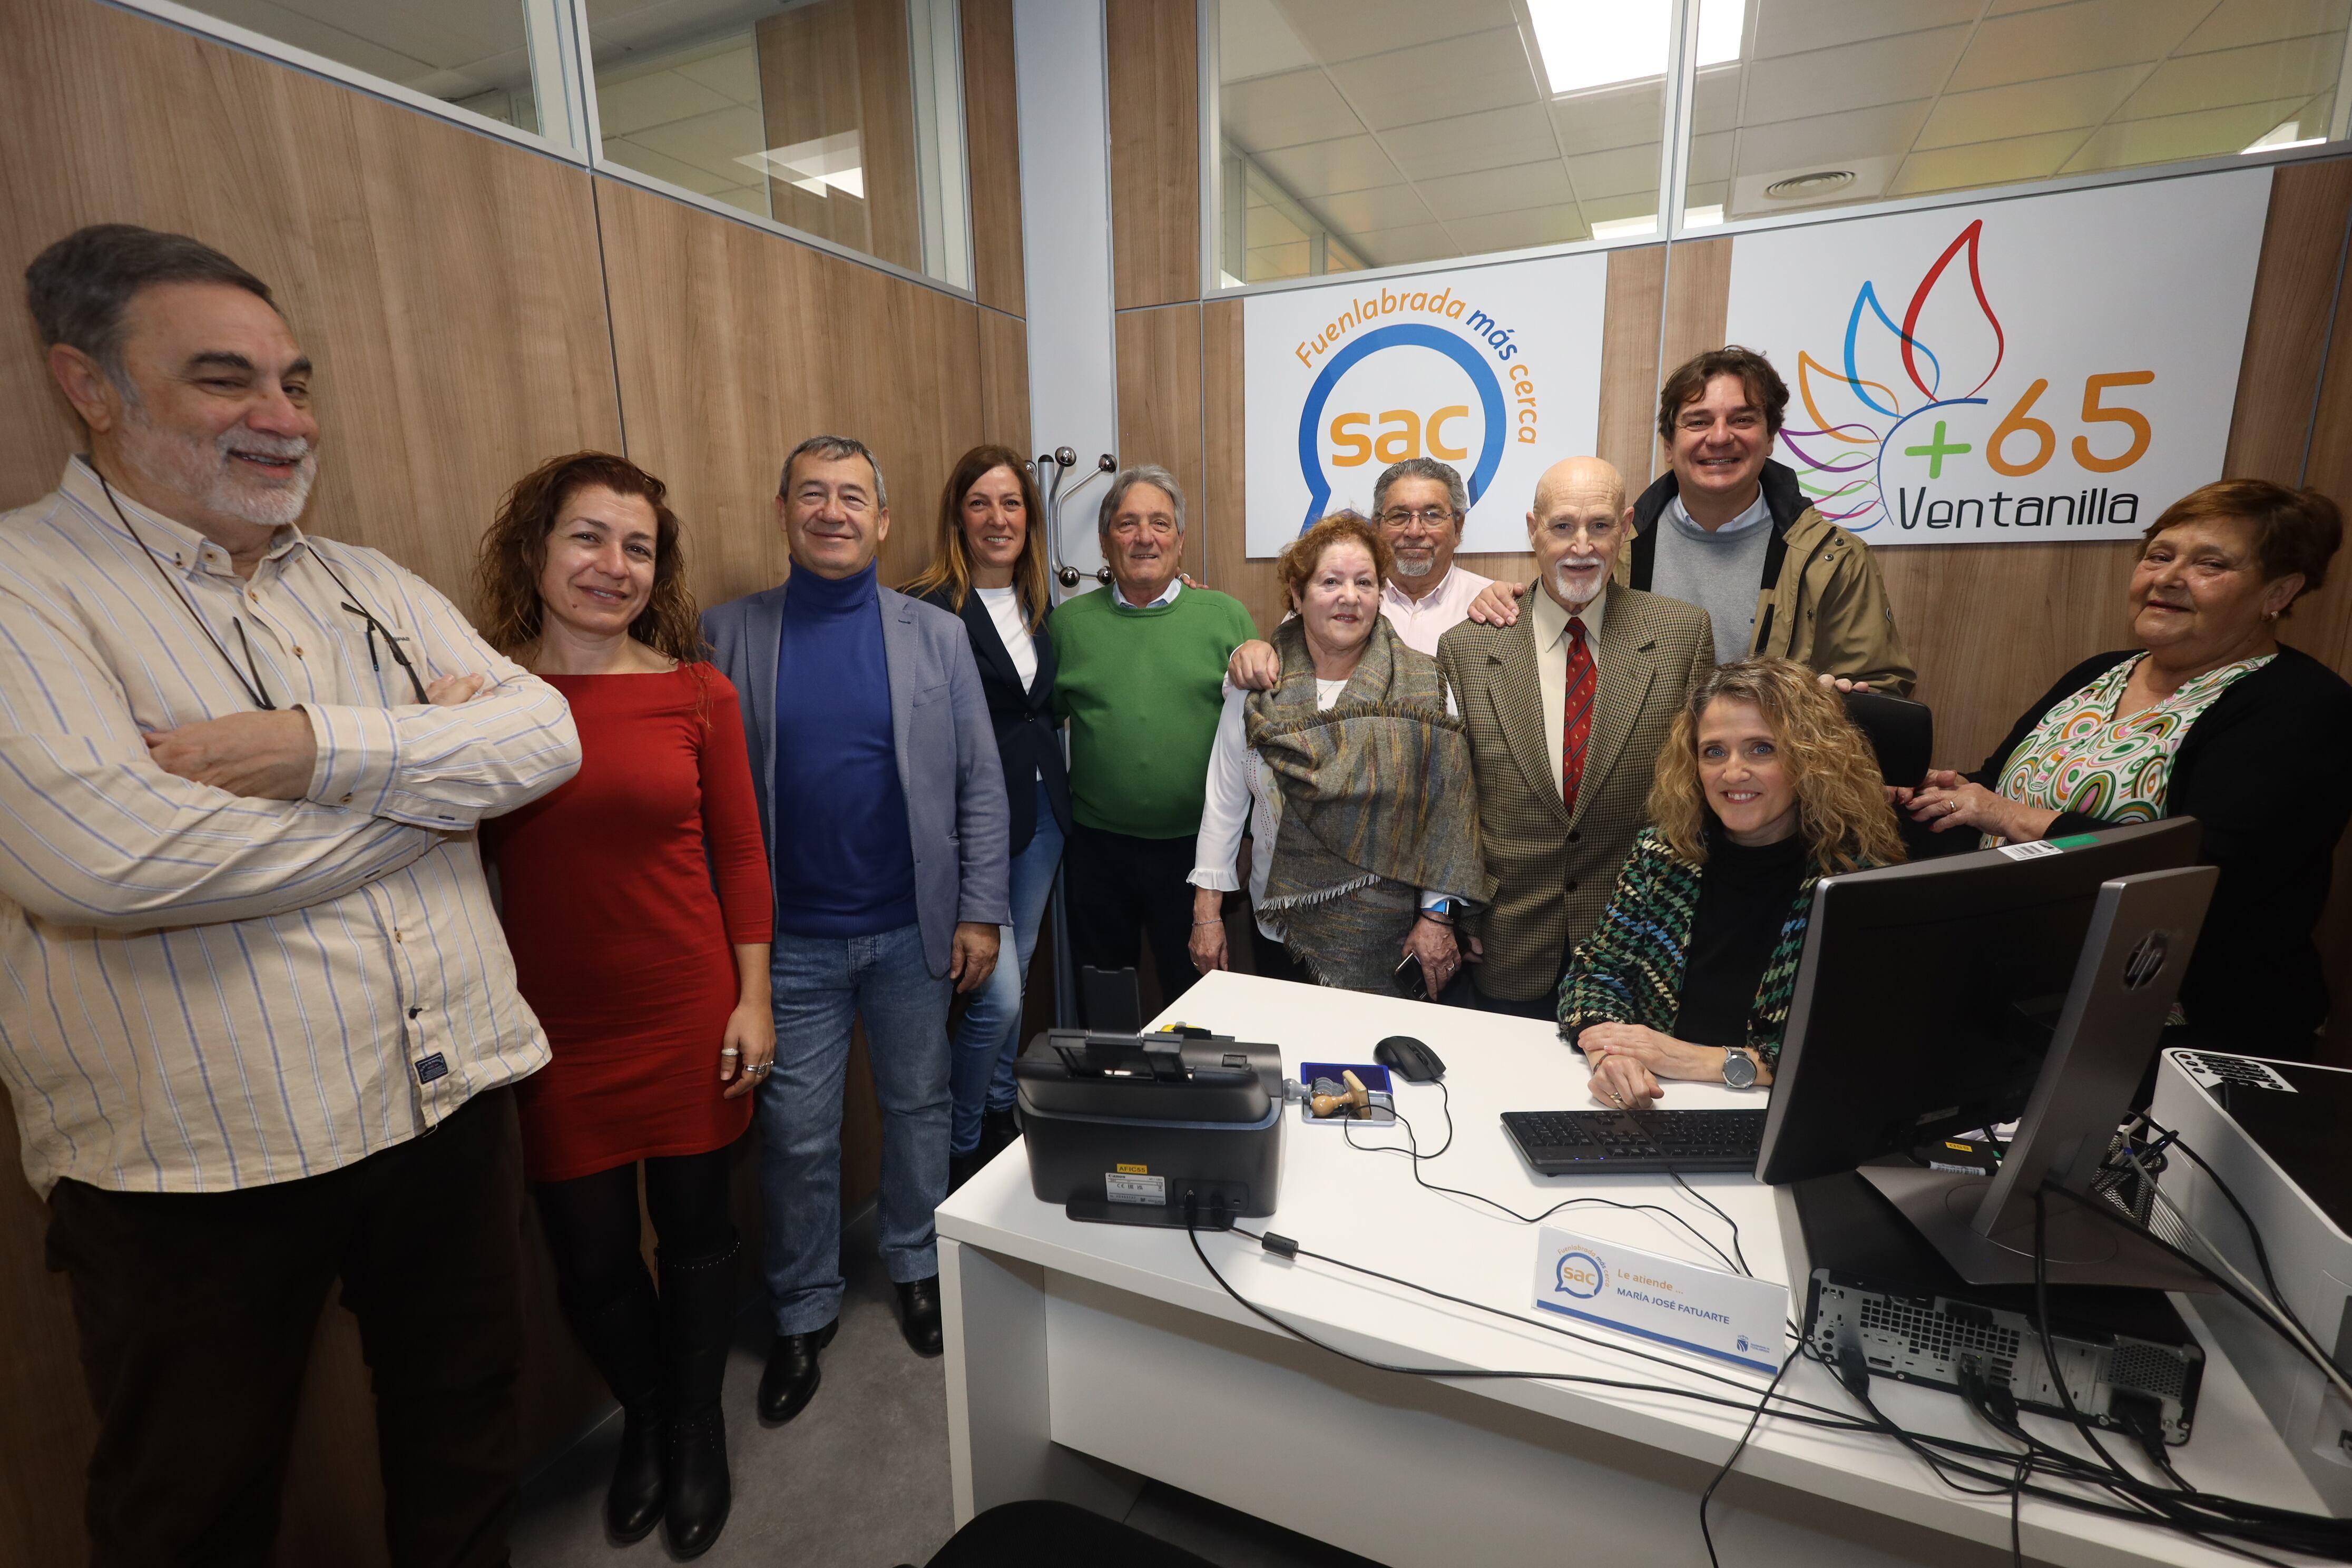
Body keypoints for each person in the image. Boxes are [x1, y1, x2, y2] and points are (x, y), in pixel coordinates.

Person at [0, 224, 582, 1566]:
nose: (279, 419)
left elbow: (542, 738)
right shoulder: (29, 586)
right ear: (89, 386)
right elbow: (106, 861)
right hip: (200, 1160)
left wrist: (308, 753)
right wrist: (430, 796)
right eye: (225, 380)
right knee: (191, 1506)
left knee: (463, 1431)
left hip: (445, 1099)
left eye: (296, 382)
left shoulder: (363, 580)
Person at [475, 452, 771, 1556]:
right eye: (588, 538)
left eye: (637, 546)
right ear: (537, 549)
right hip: (553, 1033)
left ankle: (694, 1429)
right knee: (592, 1256)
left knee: (697, 1234)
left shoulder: (698, 691)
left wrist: (756, 1001)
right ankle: (645, 1415)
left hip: (690, 1007)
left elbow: (742, 854)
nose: (612, 565)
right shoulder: (486, 698)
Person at [702, 435, 1008, 1426]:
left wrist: (980, 911)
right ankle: (801, 1308)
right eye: (811, 496)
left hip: (910, 933)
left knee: (920, 1108)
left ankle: (916, 1265)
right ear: (783, 510)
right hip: (786, 945)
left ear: (881, 520)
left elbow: (978, 785)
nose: (831, 512)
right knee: (795, 1139)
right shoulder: (727, 635)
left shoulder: (934, 635)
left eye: (852, 498)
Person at [1903, 479, 2351, 1055]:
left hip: (2174, 1031)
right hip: (2024, 1001)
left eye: (2210, 564)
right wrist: (1947, 791)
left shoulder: (2301, 705)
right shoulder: (2101, 671)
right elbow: (1997, 783)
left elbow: (2207, 869)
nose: (2167, 577)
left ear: (2279, 592)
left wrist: (2013, 817)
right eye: (2159, 556)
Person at [1435, 456, 1716, 1016]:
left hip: (1636, 945)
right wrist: (1453, 915)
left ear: (1627, 525)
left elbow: (1696, 796)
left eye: (1600, 525)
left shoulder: (1683, 634)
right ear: (1533, 528)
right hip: (1505, 942)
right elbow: (1450, 803)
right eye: (1562, 526)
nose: (1581, 546)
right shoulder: (1466, 647)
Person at [1465, 347, 1914, 693]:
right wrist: (1511, 602)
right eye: (1698, 421)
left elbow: (1882, 694)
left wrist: (1827, 704)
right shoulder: (1615, 546)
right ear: (1668, 444)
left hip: (1775, 798)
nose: (1720, 438)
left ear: (1771, 437)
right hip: (1641, 795)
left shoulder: (1832, 559)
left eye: (1742, 419)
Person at [1563, 659, 1905, 1112]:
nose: (1733, 773)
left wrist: (1702, 1061)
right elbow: (1596, 973)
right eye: (1714, 751)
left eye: (1762, 749)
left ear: (1810, 757)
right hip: (1655, 1106)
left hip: (1784, 1117)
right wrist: (1611, 1055)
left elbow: (1861, 1047)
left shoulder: (1859, 880)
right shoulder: (1662, 856)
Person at [1188, 514, 1487, 995]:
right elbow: (1223, 806)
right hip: (1280, 928)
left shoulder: (1426, 688)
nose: (1350, 596)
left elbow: (1448, 818)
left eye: (1364, 582)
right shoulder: (1257, 691)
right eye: (1331, 581)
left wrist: (1438, 919)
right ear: (1297, 592)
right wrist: (1206, 915)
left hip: (1392, 937)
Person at [901, 446, 1070, 1190]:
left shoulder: (1043, 604)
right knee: (995, 991)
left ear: (1030, 520)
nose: (997, 519)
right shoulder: (921, 609)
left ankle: (1001, 1107)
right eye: (981, 503)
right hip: (970, 824)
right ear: (957, 516)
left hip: (1044, 809)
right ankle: (962, 1138)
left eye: (1011, 504)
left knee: (1021, 969)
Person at [1049, 465, 1257, 1016]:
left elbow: (1257, 740)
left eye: (1160, 523)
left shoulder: (1225, 617)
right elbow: (1041, 722)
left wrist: (1246, 839)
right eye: (1128, 524)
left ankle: (1190, 1101)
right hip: (1098, 850)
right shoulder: (1068, 627)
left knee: (1195, 1001)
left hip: (1195, 852)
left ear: (1181, 540)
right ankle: (1109, 1094)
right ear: (1103, 540)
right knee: (1104, 998)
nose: (1145, 537)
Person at [1224, 457, 1493, 689]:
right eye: (1399, 516)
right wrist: (1251, 655)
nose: (1414, 531)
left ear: (1458, 527)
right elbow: (1276, 667)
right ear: (1377, 527)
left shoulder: (1492, 608)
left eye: (1432, 515)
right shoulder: (1331, 603)